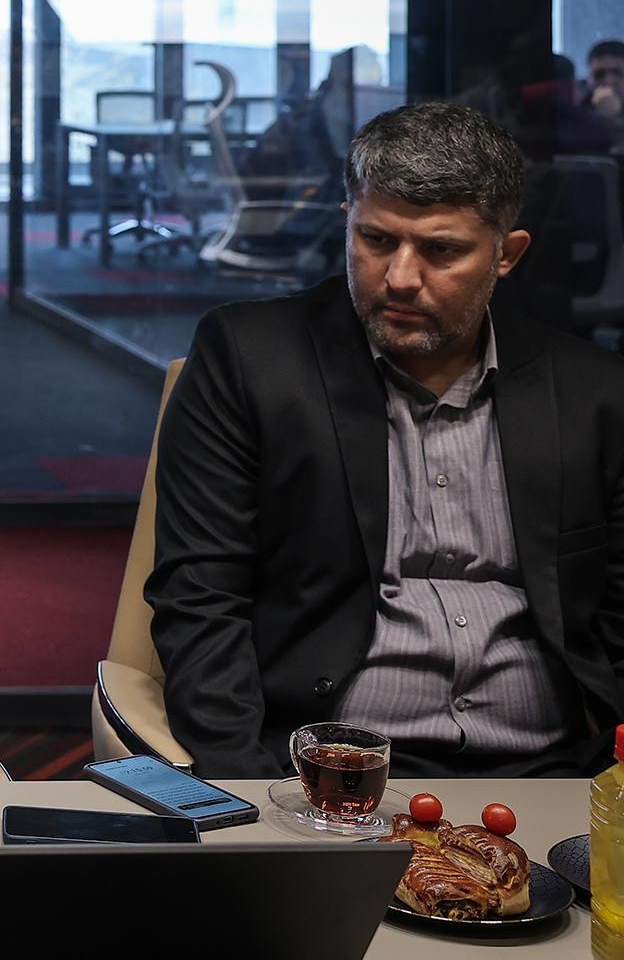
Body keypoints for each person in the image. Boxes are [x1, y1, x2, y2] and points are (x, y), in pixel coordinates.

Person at [148, 102, 624, 779]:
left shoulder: (593, 392)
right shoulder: (250, 359)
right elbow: (201, 598)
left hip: (554, 770)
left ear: (507, 254)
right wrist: (245, 790)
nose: (400, 277)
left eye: (440, 250)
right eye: (375, 240)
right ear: (348, 221)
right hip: (326, 770)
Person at [588, 39, 624, 118]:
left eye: (617, 73)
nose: (608, 80)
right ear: (589, 79)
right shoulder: (577, 111)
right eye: (599, 74)